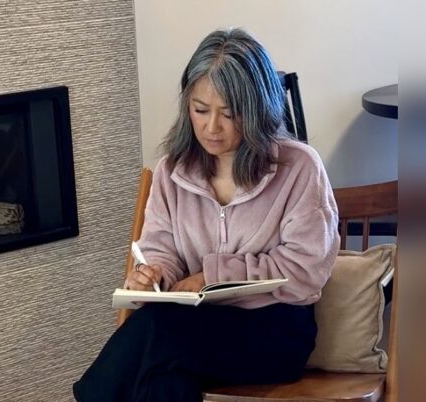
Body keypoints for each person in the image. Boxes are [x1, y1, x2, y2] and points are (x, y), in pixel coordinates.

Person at [73, 28, 340, 402]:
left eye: (229, 114)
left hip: (274, 332)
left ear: (259, 109)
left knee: (158, 332)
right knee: (162, 382)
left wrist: (210, 277)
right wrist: (154, 275)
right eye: (200, 110)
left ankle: (90, 395)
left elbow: (306, 272)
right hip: (188, 331)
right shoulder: (172, 171)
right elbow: (160, 250)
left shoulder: (298, 168)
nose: (211, 127)